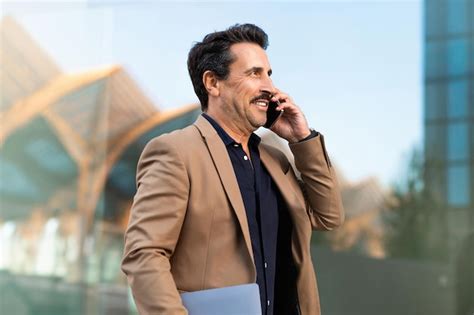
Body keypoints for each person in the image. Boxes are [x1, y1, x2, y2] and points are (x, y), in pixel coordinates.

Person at [121, 24, 344, 315]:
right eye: (254, 73)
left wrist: (302, 139)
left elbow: (328, 216)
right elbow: (144, 254)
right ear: (213, 83)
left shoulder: (275, 160)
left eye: (269, 74)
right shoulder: (176, 151)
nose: (270, 87)